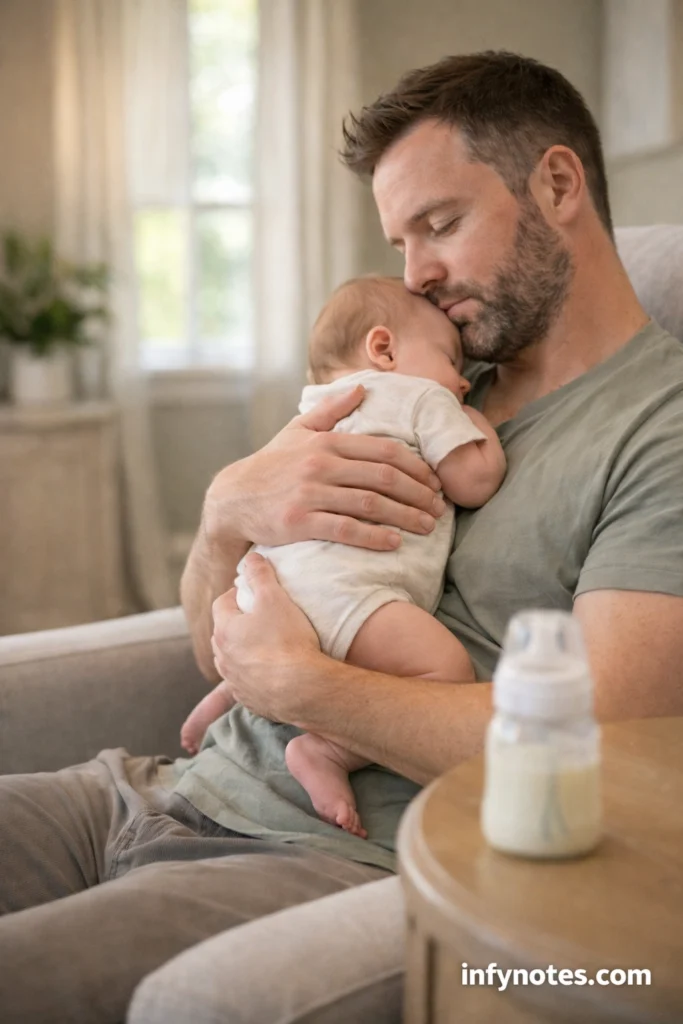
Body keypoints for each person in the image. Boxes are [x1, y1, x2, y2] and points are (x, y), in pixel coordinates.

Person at [2, 50, 683, 1024]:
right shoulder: (419, 377)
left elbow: (602, 754)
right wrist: (220, 518)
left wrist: (304, 687)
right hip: (154, 786)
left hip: (313, 854)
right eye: (399, 242)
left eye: (439, 225)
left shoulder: (655, 429)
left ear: (557, 183)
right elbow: (214, 640)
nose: (415, 277)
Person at [179, 275, 506, 838]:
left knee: (270, 642)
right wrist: (479, 430)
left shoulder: (313, 409)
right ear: (384, 349)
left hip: (275, 580)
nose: (462, 379)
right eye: (452, 359)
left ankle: (224, 697)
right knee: (445, 670)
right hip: (351, 591)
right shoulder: (422, 396)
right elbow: (473, 480)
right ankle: (327, 751)